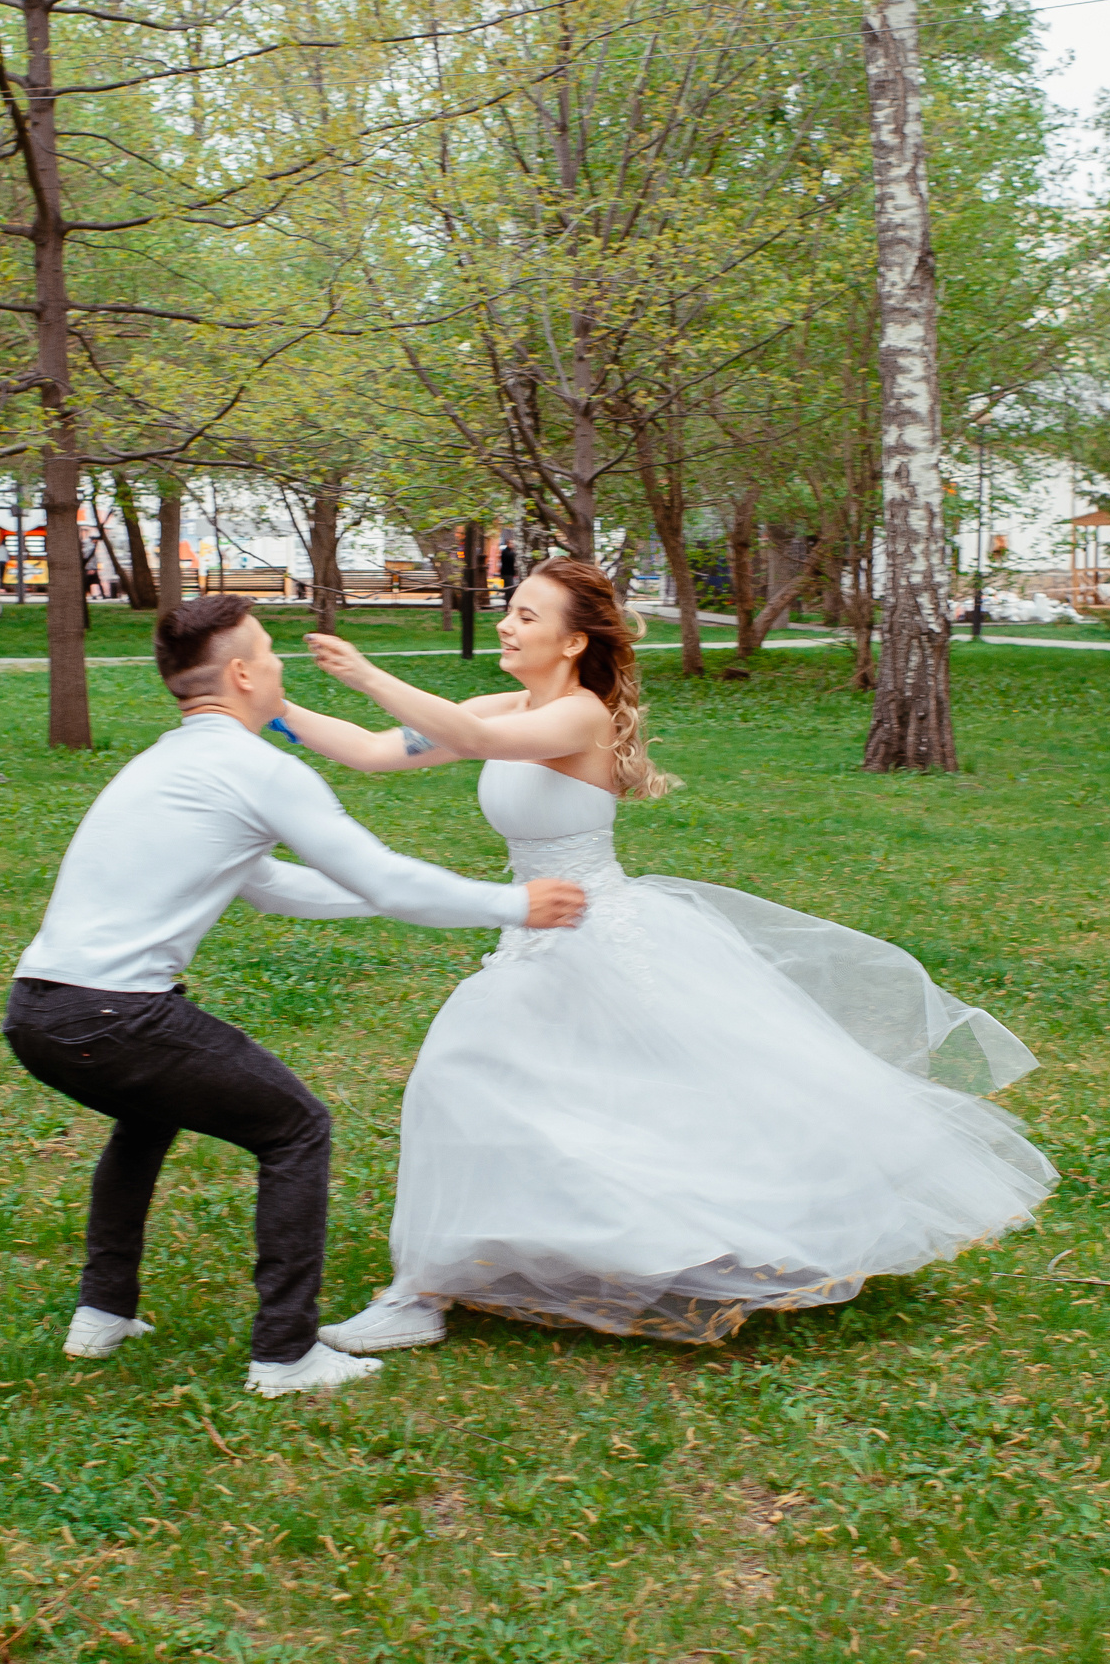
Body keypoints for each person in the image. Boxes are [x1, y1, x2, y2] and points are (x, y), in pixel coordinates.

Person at [275, 559, 1056, 1352]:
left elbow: (470, 739)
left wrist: (368, 671)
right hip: (534, 929)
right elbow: (376, 752)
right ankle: (442, 1279)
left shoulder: (578, 717)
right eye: (509, 612)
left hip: (594, 932)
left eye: (526, 616)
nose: (508, 625)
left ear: (574, 641)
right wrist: (270, 710)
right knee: (505, 1086)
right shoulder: (501, 703)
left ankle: (436, 1288)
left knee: (540, 1082)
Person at [2, 595, 589, 1396]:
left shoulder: (170, 761)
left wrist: (384, 896)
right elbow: (381, 873)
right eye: (270, 652)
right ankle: (285, 1353)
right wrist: (510, 904)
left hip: (38, 1011)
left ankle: (102, 1311)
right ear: (242, 674)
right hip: (117, 1015)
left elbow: (269, 884)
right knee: (296, 1128)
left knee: (147, 1113)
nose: (279, 665)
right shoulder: (258, 768)